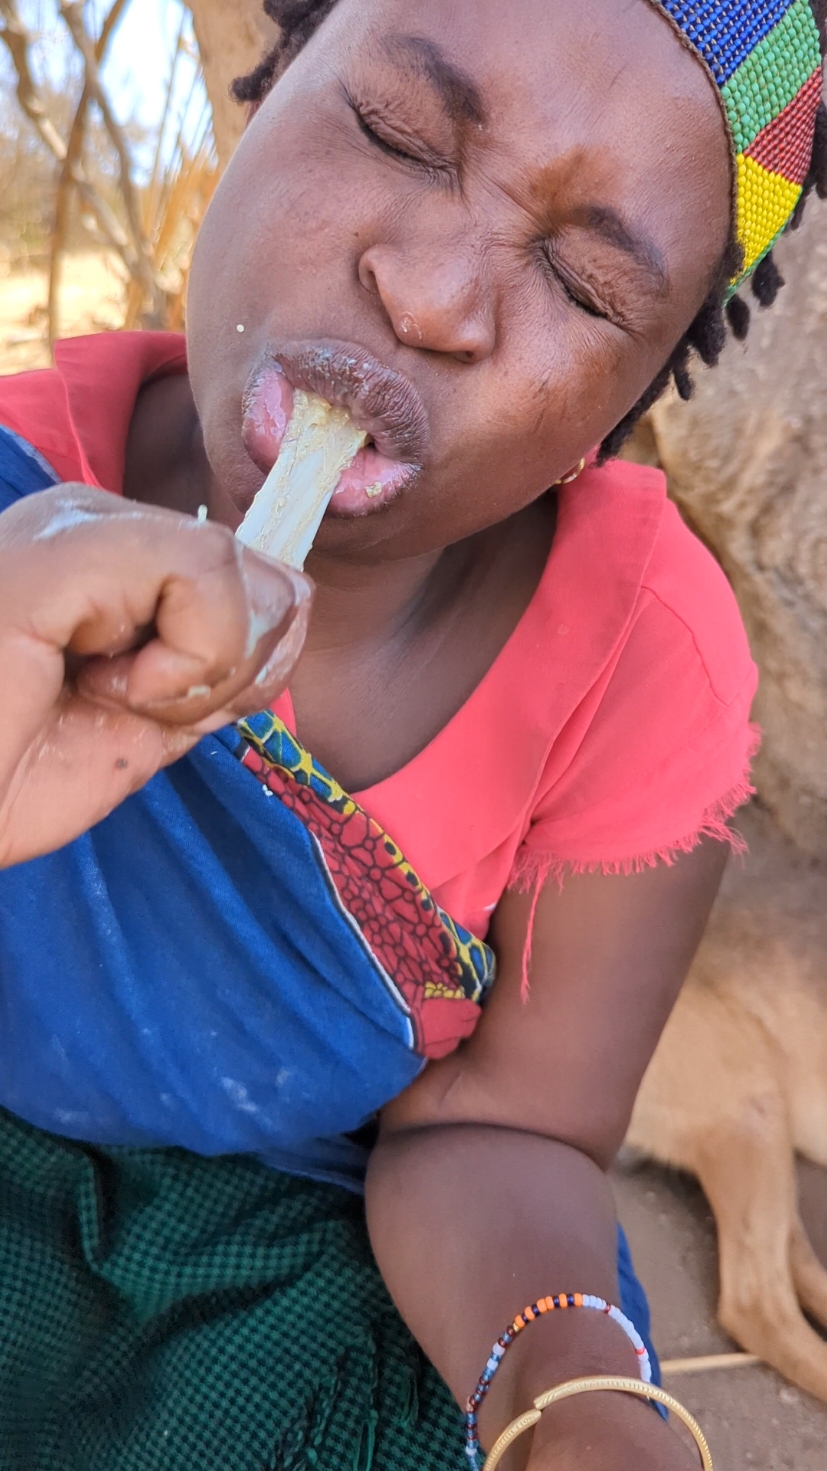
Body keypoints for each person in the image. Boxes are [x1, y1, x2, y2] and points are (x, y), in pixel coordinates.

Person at [0, 1, 823, 1467]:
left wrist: (567, 1399)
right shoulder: (14, 501)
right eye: (394, 132)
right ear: (259, 101)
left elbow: (502, 1133)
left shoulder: (636, 658)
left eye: (581, 279)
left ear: (623, 408)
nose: (436, 297)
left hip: (305, 1251)